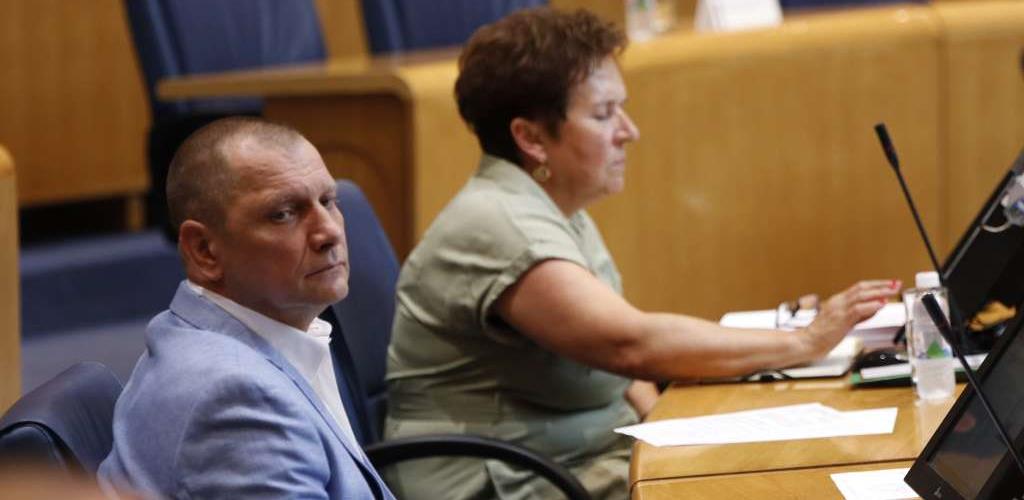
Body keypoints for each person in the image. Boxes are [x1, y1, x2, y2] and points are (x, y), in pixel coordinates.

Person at [384, 7, 901, 499]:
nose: (629, 131)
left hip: (582, 460)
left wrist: (666, 429)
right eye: (604, 114)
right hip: (510, 480)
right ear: (531, 138)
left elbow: (621, 362)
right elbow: (628, 344)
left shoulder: (549, 205)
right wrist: (805, 340)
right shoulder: (499, 225)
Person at [98, 117, 394, 499]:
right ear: (204, 251)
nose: (329, 232)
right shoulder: (236, 399)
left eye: (328, 201)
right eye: (283, 213)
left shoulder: (231, 337)